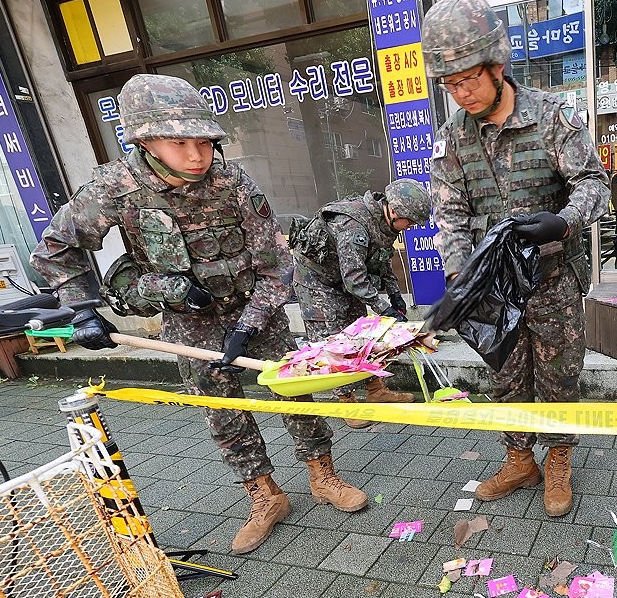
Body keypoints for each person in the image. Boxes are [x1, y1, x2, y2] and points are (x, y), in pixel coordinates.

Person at [30, 73, 369, 556]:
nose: (197, 155)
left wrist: (251, 323)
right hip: (190, 325)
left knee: (296, 392)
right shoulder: (116, 189)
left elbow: (277, 266)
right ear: (145, 141)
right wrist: (83, 309)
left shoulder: (234, 182)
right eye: (179, 142)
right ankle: (265, 495)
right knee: (224, 410)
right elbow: (55, 251)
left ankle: (323, 475)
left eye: (205, 141)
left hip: (258, 310)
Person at [422, 0, 610, 517]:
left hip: (551, 280)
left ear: (496, 65)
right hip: (493, 287)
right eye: (450, 84)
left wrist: (565, 219)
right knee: (505, 376)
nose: (460, 93)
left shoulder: (553, 120)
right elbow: (450, 215)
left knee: (558, 375)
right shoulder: (451, 139)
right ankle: (519, 457)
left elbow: (593, 183)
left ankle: (558, 461)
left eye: (468, 79)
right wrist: (461, 276)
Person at [290, 179, 431, 427]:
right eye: (409, 221)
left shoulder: (385, 222)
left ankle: (376, 390)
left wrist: (396, 297)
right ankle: (347, 402)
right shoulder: (353, 225)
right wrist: (384, 308)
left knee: (360, 332)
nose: (409, 227)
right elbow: (355, 279)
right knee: (332, 341)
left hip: (343, 276)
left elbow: (381, 260)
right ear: (395, 210)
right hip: (317, 280)